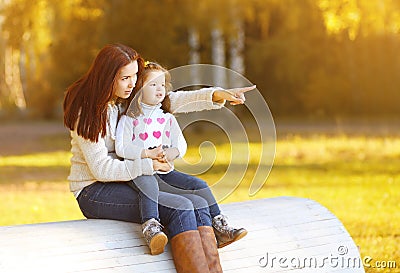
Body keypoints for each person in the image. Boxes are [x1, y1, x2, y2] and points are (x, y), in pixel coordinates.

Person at [63, 43, 255, 273]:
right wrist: (147, 164)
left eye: (135, 76)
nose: (133, 84)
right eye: (125, 77)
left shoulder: (124, 96)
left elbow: (167, 100)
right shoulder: (87, 110)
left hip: (131, 176)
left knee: (198, 200)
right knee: (181, 207)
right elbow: (101, 169)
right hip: (95, 190)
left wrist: (214, 94)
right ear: (107, 77)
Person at [115, 61, 247, 254]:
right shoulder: (128, 119)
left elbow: (181, 144)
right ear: (138, 90)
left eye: (162, 85)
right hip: (142, 171)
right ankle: (152, 228)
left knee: (199, 184)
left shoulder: (167, 118)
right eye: (153, 85)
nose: (160, 89)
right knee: (149, 185)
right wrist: (147, 154)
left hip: (166, 172)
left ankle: (220, 225)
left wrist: (171, 152)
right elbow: (121, 148)